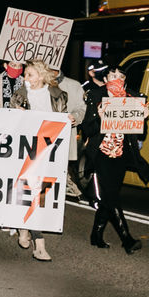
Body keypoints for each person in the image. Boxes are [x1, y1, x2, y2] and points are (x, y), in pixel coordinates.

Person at [8, 58, 72, 262]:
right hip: (26, 151)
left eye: (29, 74)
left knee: (41, 196)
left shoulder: (58, 96)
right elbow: (10, 124)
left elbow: (62, 119)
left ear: (41, 75)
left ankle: (23, 226)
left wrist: (70, 119)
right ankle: (40, 245)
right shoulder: (18, 97)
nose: (25, 78)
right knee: (31, 193)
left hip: (50, 152)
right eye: (25, 74)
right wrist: (15, 114)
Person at [83, 63, 149, 254]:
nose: (117, 80)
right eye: (112, 76)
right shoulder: (96, 96)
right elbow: (88, 129)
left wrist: (143, 118)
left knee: (109, 196)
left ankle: (96, 235)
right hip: (102, 153)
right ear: (105, 80)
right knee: (111, 195)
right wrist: (100, 119)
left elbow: (140, 133)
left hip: (121, 154)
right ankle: (126, 239)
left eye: (120, 77)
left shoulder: (133, 98)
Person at [49, 64, 88, 201]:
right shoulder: (36, 82)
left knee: (59, 172)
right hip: (41, 139)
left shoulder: (73, 85)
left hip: (64, 137)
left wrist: (75, 117)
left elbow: (82, 108)